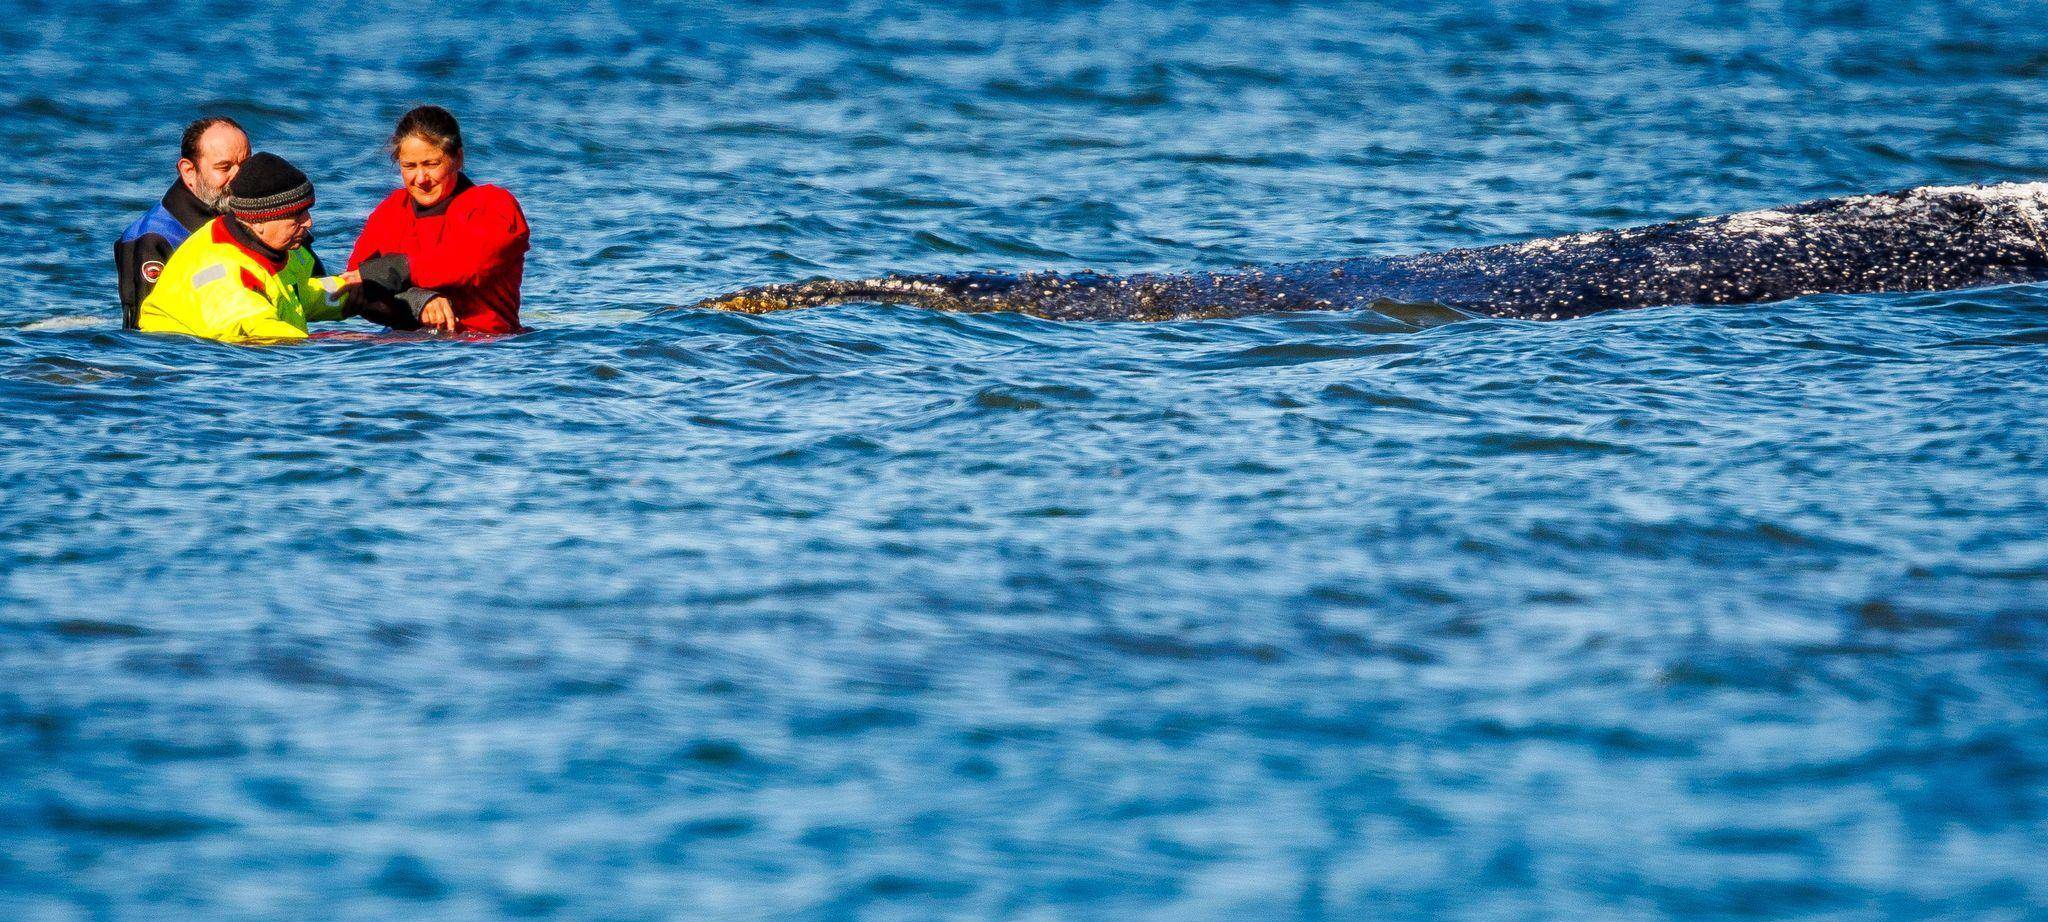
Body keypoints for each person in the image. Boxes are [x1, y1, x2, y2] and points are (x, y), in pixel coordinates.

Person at [137, 152, 359, 342]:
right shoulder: (222, 272)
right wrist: (337, 346)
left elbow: (299, 293)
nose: (308, 222)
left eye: (307, 211)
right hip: (183, 370)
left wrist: (359, 291)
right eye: (296, 215)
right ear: (258, 221)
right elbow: (263, 333)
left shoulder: (271, 247)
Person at [348, 106, 530, 335]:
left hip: (482, 347)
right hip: (400, 348)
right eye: (409, 166)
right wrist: (417, 300)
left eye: (431, 164)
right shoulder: (391, 210)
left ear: (458, 159)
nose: (421, 178)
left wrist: (396, 269)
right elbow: (355, 285)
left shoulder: (494, 205)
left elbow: (469, 265)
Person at [115, 117, 251, 328]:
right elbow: (149, 334)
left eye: (245, 165)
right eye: (224, 168)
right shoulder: (153, 238)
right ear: (189, 171)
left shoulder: (268, 221)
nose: (239, 177)